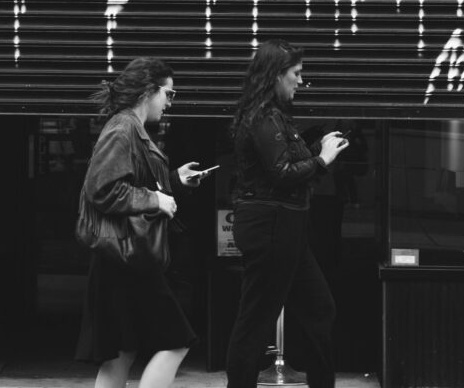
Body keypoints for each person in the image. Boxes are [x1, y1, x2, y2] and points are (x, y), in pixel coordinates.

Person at [75, 57, 208, 388]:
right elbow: (102, 189)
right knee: (177, 342)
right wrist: (155, 200)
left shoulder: (130, 128)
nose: (170, 102)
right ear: (149, 91)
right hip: (129, 257)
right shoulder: (123, 129)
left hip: (120, 258)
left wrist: (174, 181)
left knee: (122, 352)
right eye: (169, 94)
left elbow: (133, 181)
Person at [225, 40, 349, 388]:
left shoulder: (273, 116)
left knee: (319, 308)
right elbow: (282, 173)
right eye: (296, 73)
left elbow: (286, 166)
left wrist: (320, 149)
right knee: (256, 320)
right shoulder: (263, 117)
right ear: (276, 75)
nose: (300, 81)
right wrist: (322, 160)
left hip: (286, 227)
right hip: (271, 226)